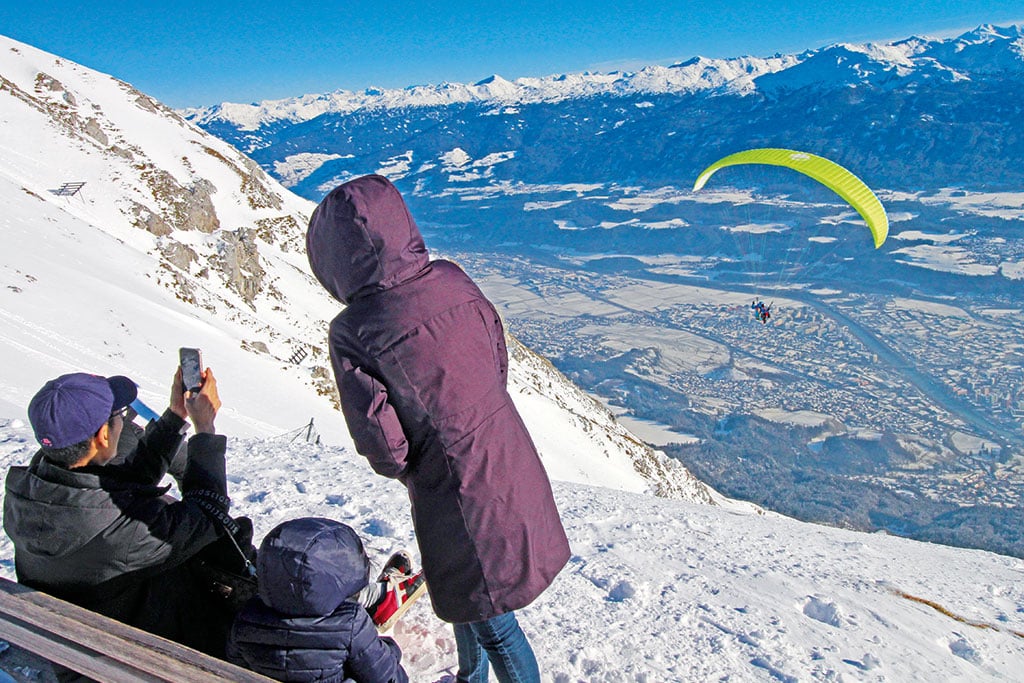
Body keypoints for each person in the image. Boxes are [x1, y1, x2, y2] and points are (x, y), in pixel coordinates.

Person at [306, 174, 570, 683]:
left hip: (453, 482)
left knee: (493, 616)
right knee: (465, 591)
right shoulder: (452, 278)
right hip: (508, 450)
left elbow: (381, 440)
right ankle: (470, 679)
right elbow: (496, 357)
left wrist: (417, 463)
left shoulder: (353, 331)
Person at [3, 366, 243, 658]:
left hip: (79, 633)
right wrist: (205, 429)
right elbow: (210, 514)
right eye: (118, 416)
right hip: (133, 651)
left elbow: (116, 490)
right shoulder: (121, 534)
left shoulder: (30, 490)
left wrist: (175, 417)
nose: (123, 423)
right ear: (104, 434)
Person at [227, 517, 418, 683]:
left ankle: (382, 597)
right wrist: (391, 650)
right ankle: (384, 597)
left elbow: (234, 669)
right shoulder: (350, 624)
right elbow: (388, 678)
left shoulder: (246, 618)